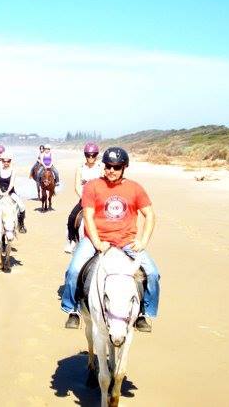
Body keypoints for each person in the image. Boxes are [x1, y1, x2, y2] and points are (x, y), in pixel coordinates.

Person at [60, 147, 160, 333]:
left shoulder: (135, 188)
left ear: (124, 167)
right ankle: (71, 308)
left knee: (153, 274)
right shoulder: (92, 186)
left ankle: (144, 313)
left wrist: (143, 241)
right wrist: (97, 242)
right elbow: (88, 216)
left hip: (126, 241)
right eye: (108, 166)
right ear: (103, 166)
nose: (111, 171)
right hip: (96, 240)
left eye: (116, 167)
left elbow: (150, 215)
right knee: (73, 271)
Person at [64, 142, 100, 253]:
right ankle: (72, 240)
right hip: (84, 198)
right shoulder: (80, 168)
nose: (91, 157)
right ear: (85, 155)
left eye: (93, 155)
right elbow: (77, 186)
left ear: (96, 155)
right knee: (72, 217)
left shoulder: (101, 168)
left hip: (99, 199)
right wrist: (84, 197)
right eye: (88, 155)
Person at [0, 151, 27, 233]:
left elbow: (11, 184)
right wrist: (0, 192)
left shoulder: (13, 171)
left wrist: (7, 192)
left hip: (10, 192)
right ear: (1, 161)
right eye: (4, 161)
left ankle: (21, 224)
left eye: (8, 161)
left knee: (22, 206)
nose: (6, 163)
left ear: (10, 161)